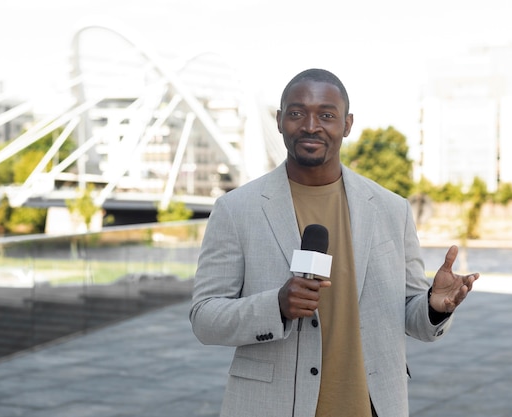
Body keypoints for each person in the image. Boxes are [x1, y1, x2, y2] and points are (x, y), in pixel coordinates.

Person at [189, 68, 479, 417]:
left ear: (347, 124)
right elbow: (205, 318)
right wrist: (276, 306)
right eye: (297, 113)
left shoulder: (391, 209)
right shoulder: (236, 210)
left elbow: (411, 316)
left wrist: (434, 306)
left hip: (371, 406)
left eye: (326, 115)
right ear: (280, 121)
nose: (311, 125)